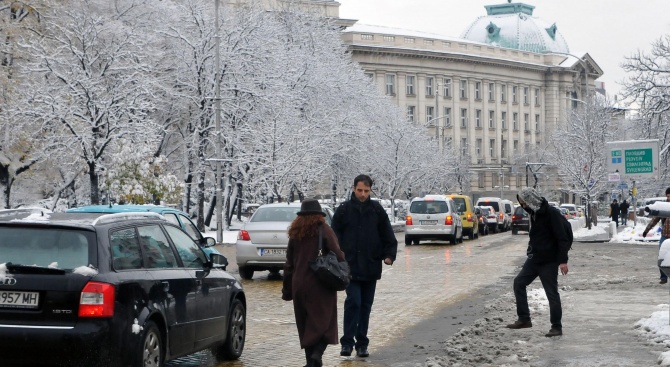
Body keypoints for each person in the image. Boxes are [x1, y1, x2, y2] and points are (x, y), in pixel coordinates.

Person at [331, 174, 398, 358]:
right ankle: (347, 343)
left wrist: (389, 255)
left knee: (366, 306)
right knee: (354, 302)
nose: (362, 194)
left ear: (370, 191)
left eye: (366, 191)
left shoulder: (376, 210)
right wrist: (338, 257)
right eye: (359, 190)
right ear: (353, 189)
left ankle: (362, 344)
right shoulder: (344, 210)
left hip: (370, 267)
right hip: (349, 268)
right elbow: (333, 235)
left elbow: (388, 235)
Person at [282, 199, 346, 367]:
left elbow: (289, 264)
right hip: (321, 284)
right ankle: (316, 355)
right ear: (319, 215)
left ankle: (311, 362)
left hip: (299, 284)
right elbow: (338, 256)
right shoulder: (324, 230)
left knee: (305, 325)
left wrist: (287, 290)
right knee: (325, 323)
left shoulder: (295, 233)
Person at [506, 187, 571, 337]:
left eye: (524, 203)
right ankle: (524, 319)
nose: (523, 206)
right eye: (521, 203)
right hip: (534, 259)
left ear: (532, 200)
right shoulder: (534, 214)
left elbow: (563, 238)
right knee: (519, 283)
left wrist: (563, 261)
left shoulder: (551, 214)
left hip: (549, 261)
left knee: (551, 294)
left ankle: (556, 327)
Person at [642, 187, 670, 285]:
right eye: (667, 196)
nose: (669, 197)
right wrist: (646, 230)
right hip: (665, 235)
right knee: (662, 256)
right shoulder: (664, 206)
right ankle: (663, 277)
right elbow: (655, 219)